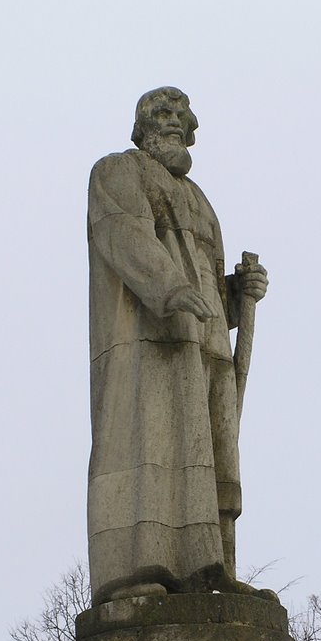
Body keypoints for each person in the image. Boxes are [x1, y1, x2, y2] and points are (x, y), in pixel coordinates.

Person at [87, 86, 270, 605]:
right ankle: (141, 569)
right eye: (160, 114)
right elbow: (123, 235)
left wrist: (237, 294)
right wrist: (169, 288)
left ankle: (213, 567)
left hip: (206, 345)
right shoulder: (118, 171)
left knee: (213, 459)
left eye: (180, 115)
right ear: (141, 127)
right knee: (152, 445)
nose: (172, 122)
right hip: (151, 340)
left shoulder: (201, 200)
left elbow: (209, 285)